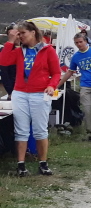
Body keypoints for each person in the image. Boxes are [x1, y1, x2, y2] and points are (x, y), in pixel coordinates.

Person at [0, 21, 61, 176]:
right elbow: (3, 61)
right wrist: (10, 41)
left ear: (33, 32)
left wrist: (51, 85)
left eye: (23, 33)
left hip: (40, 93)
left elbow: (56, 72)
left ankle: (43, 163)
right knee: (21, 130)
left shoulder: (47, 50)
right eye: (18, 33)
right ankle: (21, 165)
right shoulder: (19, 51)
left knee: (40, 130)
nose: (20, 36)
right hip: (20, 93)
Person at [58, 33, 91, 144]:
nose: (79, 44)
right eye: (76, 43)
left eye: (81, 42)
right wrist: (58, 84)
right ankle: (90, 133)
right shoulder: (76, 56)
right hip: (85, 85)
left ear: (86, 41)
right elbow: (70, 72)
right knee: (86, 110)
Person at [0, 24, 18, 99]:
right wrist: (10, 91)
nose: (15, 37)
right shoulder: (5, 50)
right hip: (13, 89)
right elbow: (4, 73)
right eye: (11, 35)